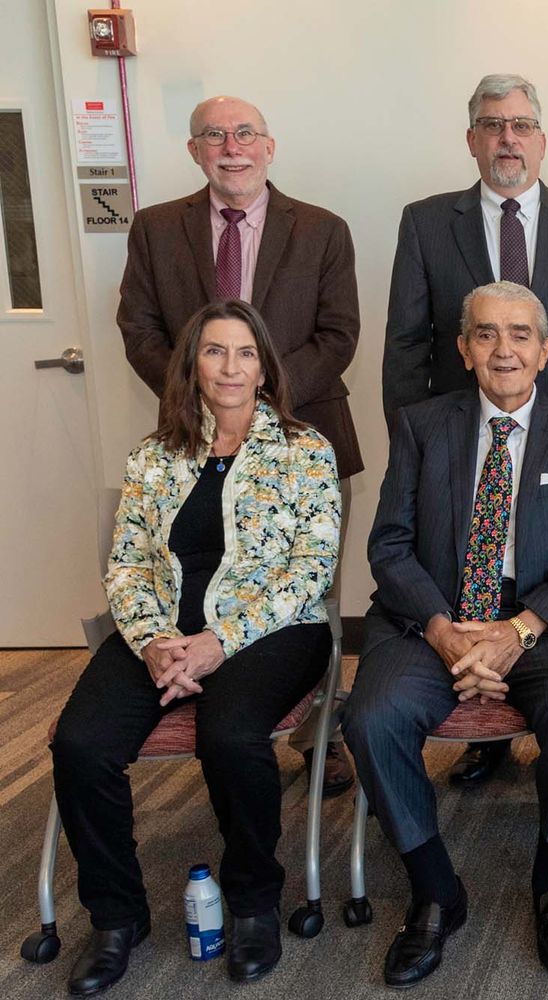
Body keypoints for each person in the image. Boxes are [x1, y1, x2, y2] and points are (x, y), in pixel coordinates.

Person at [51, 299, 340, 994]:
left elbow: (312, 569)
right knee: (81, 744)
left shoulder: (304, 450)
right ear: (192, 365)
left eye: (246, 352)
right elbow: (125, 564)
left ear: (266, 367)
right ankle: (117, 917)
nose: (231, 366)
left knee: (232, 736)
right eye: (215, 351)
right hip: (160, 633)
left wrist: (219, 642)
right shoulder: (154, 457)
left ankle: (251, 905)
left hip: (272, 630)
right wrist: (155, 642)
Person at [344, 282, 548, 983]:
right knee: (372, 717)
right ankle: (436, 888)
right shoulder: (420, 425)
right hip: (430, 617)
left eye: (521, 334)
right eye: (488, 334)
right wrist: (444, 631)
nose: (505, 349)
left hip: (542, 624)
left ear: (547, 349)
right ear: (465, 349)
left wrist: (516, 631)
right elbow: (390, 546)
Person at [383, 73, 548, 785]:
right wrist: (411, 440)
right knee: (470, 571)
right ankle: (483, 736)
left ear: (542, 140)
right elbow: (405, 341)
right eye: (493, 124)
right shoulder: (427, 222)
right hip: (459, 440)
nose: (507, 137)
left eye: (521, 124)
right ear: (472, 139)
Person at [117, 94, 359, 798]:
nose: (232, 146)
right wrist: (207, 398)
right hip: (195, 440)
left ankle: (319, 738)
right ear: (195, 151)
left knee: (309, 596)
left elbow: (339, 334)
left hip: (303, 442)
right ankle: (197, 681)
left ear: (269, 146)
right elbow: (139, 329)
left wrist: (263, 398)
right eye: (215, 135)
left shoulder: (321, 229)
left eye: (245, 133)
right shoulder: (157, 228)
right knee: (187, 568)